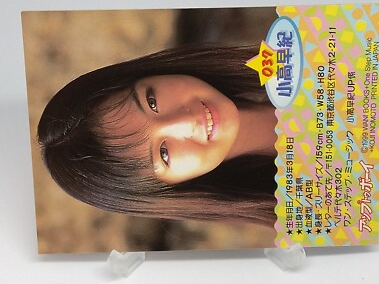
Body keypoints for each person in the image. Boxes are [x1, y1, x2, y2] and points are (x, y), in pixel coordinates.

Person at [38, 44, 278, 227]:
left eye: (151, 102)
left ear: (151, 74)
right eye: (163, 153)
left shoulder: (293, 46)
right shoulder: (299, 210)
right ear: (171, 189)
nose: (185, 122)